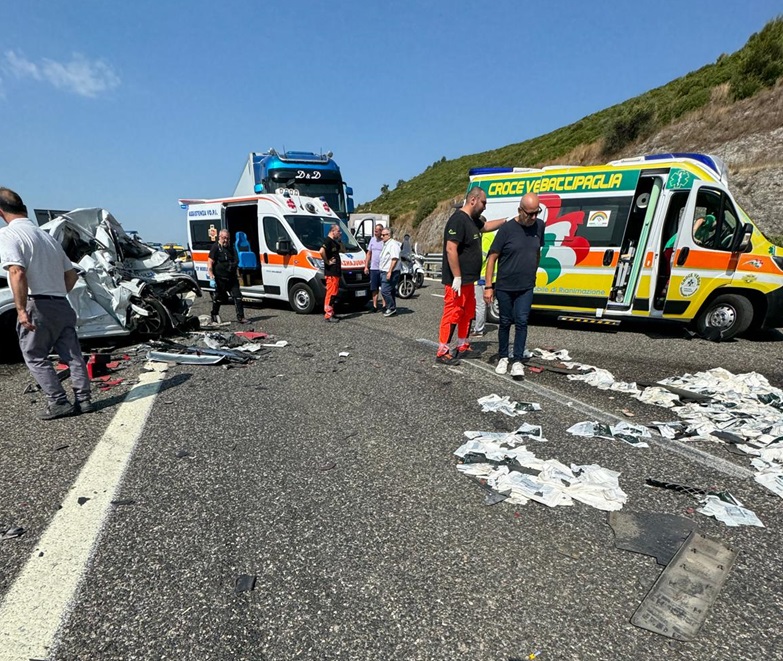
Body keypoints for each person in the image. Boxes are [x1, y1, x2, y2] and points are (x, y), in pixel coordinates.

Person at [0, 187, 93, 419]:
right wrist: (57, 292)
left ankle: (58, 401)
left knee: (34, 355)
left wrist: (21, 309)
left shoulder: (9, 235)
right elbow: (71, 275)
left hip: (36, 304)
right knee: (73, 355)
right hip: (61, 304)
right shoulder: (47, 238)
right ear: (24, 209)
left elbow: (16, 271)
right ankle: (84, 400)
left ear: (1, 212)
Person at [435, 187, 506, 365]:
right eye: (484, 202)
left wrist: (507, 221)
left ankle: (462, 346)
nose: (485, 207)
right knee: (453, 313)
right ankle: (442, 350)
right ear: (473, 200)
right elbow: (451, 249)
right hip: (456, 281)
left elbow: (487, 226)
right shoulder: (458, 220)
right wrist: (457, 276)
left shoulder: (472, 220)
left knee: (467, 313)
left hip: (469, 280)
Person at [483, 193, 545, 378]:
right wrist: (488, 287)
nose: (534, 217)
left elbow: (537, 251)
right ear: (520, 210)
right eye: (530, 213)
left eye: (537, 213)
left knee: (522, 321)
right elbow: (492, 257)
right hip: (505, 285)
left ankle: (517, 360)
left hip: (526, 285)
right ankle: (503, 356)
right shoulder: (507, 230)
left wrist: (533, 271)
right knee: (504, 322)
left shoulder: (539, 226)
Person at [207, 229, 248, 324]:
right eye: (224, 238)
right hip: (220, 278)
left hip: (231, 278)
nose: (226, 240)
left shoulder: (231, 248)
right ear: (220, 237)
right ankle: (214, 314)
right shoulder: (215, 248)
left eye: (228, 238)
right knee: (219, 298)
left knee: (237, 297)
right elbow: (210, 262)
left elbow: (236, 260)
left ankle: (241, 317)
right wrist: (211, 276)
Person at [471, 229, 497, 338]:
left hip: (481, 276)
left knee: (480, 304)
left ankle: (479, 330)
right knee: (483, 304)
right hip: (491, 276)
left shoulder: (484, 237)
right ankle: (480, 326)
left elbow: (481, 258)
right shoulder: (492, 236)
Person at [320, 223, 342, 323]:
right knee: (331, 293)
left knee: (334, 293)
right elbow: (321, 251)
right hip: (331, 272)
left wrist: (340, 240)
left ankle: (331, 311)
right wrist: (327, 261)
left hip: (336, 272)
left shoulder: (334, 242)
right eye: (338, 231)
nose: (339, 233)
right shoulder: (328, 241)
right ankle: (328, 314)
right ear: (333, 231)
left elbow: (343, 250)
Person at [378, 227, 402, 317]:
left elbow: (394, 259)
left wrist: (389, 272)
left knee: (385, 290)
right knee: (390, 291)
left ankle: (391, 307)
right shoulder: (386, 244)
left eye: (383, 235)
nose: (381, 236)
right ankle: (392, 308)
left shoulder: (393, 245)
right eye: (381, 235)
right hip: (384, 271)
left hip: (390, 271)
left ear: (389, 235)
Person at [364, 223, 385, 312]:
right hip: (373, 268)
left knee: (384, 288)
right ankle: (375, 306)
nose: (375, 233)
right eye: (374, 231)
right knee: (374, 288)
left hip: (382, 268)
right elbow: (369, 253)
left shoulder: (384, 241)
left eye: (377, 231)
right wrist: (366, 266)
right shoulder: (372, 240)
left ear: (381, 231)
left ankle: (384, 306)